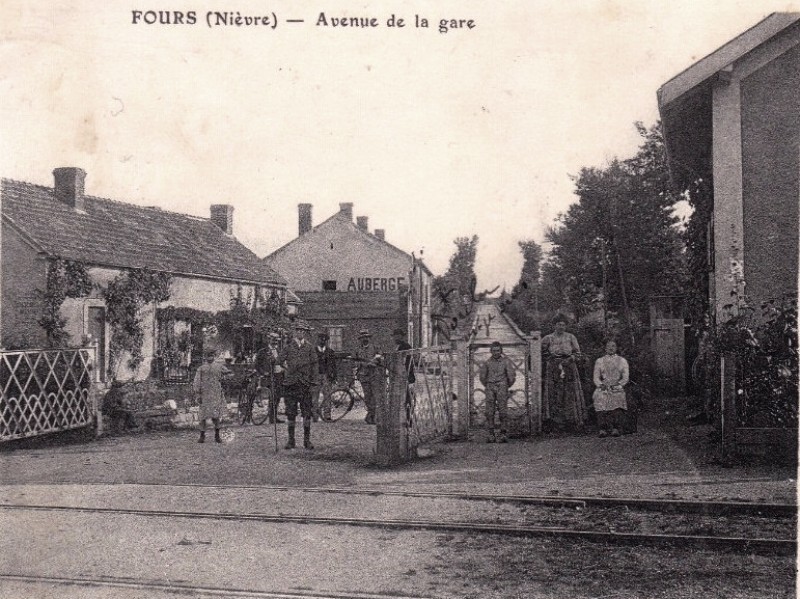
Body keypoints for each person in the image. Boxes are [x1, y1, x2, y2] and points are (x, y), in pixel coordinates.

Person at [541, 314, 587, 431]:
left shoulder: (571, 337)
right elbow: (541, 352)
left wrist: (570, 359)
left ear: (566, 326)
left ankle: (571, 421)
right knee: (555, 393)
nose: (561, 327)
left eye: (563, 325)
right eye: (558, 324)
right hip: (553, 368)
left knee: (570, 393)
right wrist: (552, 361)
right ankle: (555, 423)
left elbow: (578, 353)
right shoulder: (548, 338)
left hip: (569, 366)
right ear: (554, 325)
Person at [278, 320, 318, 449]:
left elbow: (315, 365)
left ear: (305, 333)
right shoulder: (288, 347)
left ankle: (307, 441)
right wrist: (287, 369)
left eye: (302, 330)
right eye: (298, 330)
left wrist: (313, 381)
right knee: (291, 412)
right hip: (291, 384)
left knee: (307, 413)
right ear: (294, 332)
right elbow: (279, 361)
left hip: (305, 384)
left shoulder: (310, 347)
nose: (300, 332)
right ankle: (291, 441)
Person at [479, 341, 516, 443]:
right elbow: (482, 377)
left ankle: (503, 433)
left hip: (502, 386)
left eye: (498, 350)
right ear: (491, 351)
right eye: (494, 351)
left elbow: (511, 376)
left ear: (501, 351)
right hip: (490, 386)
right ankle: (491, 433)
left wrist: (505, 385)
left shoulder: (506, 362)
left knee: (503, 409)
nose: (496, 353)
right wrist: (488, 385)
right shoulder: (487, 363)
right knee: (489, 410)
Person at [592, 340, 630, 437]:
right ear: (605, 348)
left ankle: (615, 428)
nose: (611, 348)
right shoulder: (599, 361)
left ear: (616, 348)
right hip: (604, 385)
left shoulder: (622, 360)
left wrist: (619, 385)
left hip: (616, 385)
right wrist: (600, 385)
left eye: (613, 346)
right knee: (599, 397)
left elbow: (625, 377)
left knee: (617, 399)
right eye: (608, 346)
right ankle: (602, 428)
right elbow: (596, 377)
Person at [193, 349, 231, 443]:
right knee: (204, 415)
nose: (210, 357)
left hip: (215, 393)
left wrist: (224, 378)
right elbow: (197, 382)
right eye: (208, 355)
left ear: (213, 356)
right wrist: (198, 394)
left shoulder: (218, 367)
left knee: (215, 415)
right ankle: (203, 436)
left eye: (211, 355)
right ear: (206, 357)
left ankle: (216, 436)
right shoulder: (202, 368)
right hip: (205, 393)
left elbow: (228, 374)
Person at [354, 329, 383, 424]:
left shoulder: (375, 347)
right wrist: (362, 364)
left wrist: (374, 361)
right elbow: (355, 361)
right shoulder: (358, 350)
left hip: (374, 375)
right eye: (362, 338)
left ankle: (373, 416)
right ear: (360, 339)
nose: (364, 339)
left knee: (375, 396)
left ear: (369, 338)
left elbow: (381, 357)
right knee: (367, 397)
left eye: (366, 337)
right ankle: (371, 415)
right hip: (363, 376)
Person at [254, 335, 283, 424]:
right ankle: (271, 417)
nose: (275, 343)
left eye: (276, 341)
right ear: (268, 340)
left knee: (277, 396)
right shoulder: (263, 351)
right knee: (273, 396)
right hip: (268, 377)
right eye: (273, 340)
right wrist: (263, 372)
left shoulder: (278, 351)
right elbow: (256, 364)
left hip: (279, 376)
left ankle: (274, 416)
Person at [392, 327, 415, 428]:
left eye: (398, 336)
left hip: (406, 376)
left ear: (401, 336)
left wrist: (406, 373)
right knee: (401, 398)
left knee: (408, 399)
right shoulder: (398, 346)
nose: (396, 338)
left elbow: (408, 362)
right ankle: (402, 420)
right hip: (400, 376)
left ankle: (409, 420)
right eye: (394, 336)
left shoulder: (405, 346)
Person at [314, 331, 338, 421]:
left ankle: (327, 415)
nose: (322, 341)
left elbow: (334, 365)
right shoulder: (313, 351)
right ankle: (315, 415)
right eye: (321, 339)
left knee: (327, 396)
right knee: (314, 396)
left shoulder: (330, 352)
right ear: (318, 340)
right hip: (315, 376)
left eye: (324, 340)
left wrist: (334, 376)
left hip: (326, 376)